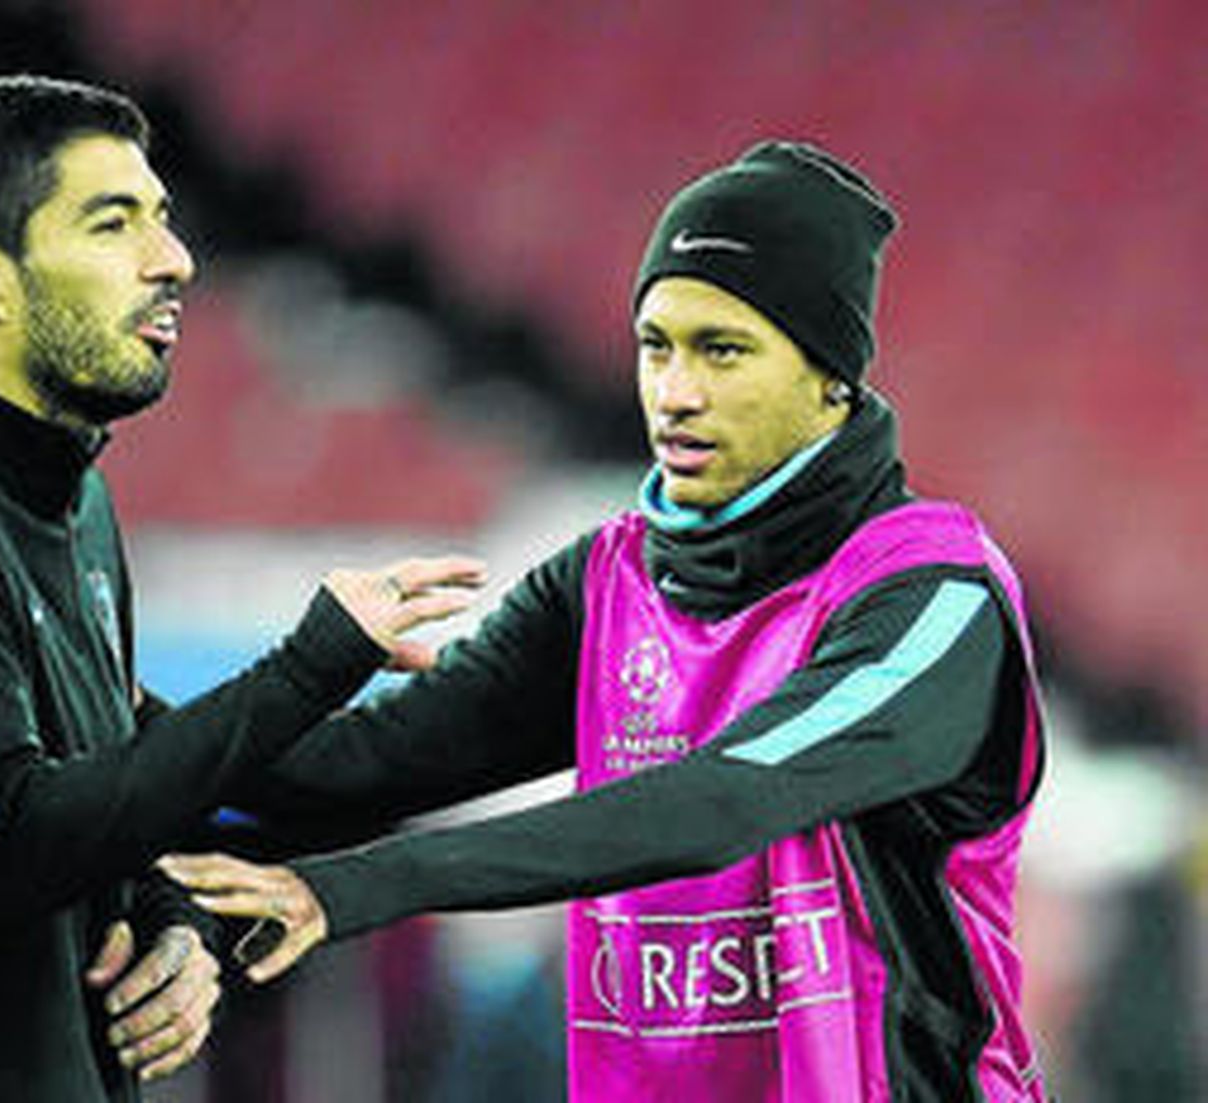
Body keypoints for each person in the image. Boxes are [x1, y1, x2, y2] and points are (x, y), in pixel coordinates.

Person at [163, 141, 1050, 1101]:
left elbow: (720, 801)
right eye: (655, 345)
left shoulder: (933, 596)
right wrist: (122, 726)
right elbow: (357, 768)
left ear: (831, 375)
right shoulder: (606, 582)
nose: (675, 392)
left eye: (722, 349)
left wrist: (351, 890)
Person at [0, 74, 483, 1101]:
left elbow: (98, 806)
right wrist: (311, 661)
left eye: (162, 220)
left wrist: (169, 926)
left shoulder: (77, 508)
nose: (171, 260)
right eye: (112, 222)